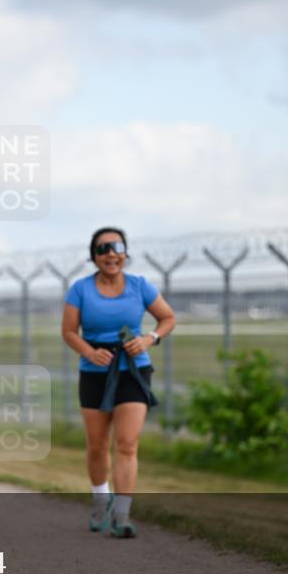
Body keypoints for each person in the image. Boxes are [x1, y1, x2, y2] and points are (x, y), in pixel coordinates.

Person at [61, 228, 176, 538]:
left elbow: (168, 318)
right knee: (97, 446)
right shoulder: (80, 289)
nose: (111, 253)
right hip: (95, 373)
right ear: (94, 256)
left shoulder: (140, 286)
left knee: (126, 444)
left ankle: (122, 516)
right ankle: (101, 502)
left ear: (125, 252)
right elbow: (69, 331)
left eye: (117, 246)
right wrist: (89, 351)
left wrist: (149, 339)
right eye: (103, 248)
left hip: (134, 370)